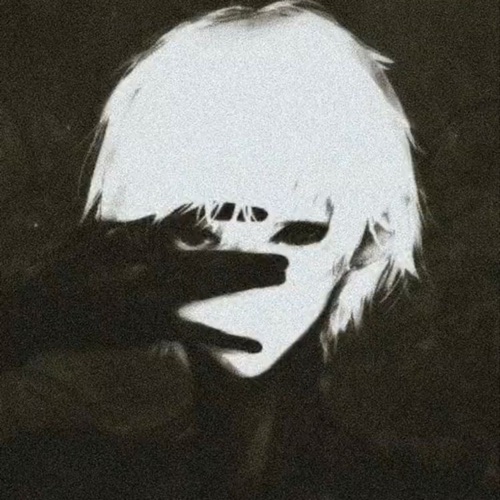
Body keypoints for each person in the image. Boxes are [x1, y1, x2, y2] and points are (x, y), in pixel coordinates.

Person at [1, 1, 422, 498]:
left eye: (296, 233)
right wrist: (24, 321)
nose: (241, 279)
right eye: (197, 233)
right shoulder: (52, 475)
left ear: (371, 240)